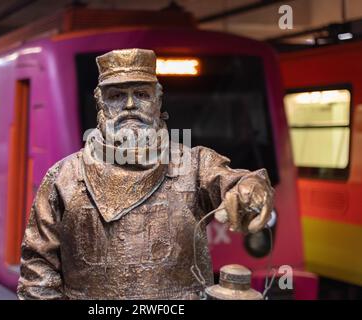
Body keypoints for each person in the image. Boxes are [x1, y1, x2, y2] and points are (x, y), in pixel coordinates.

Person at [17, 48, 274, 300]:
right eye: (117, 95)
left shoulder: (195, 165)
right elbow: (38, 271)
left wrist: (251, 191)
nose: (130, 105)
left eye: (141, 94)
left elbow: (236, 182)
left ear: (158, 101)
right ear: (100, 102)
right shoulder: (63, 177)